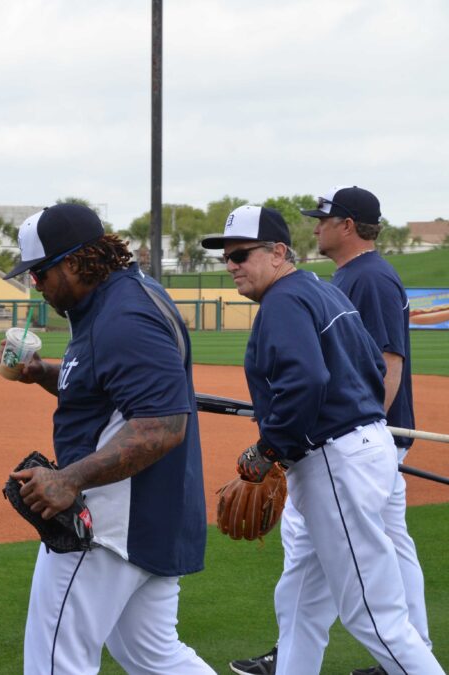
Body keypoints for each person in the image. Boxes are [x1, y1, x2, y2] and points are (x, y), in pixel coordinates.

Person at [201, 206, 441, 675]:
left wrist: (269, 449)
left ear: (278, 253)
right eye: (226, 258)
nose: (232, 265)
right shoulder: (318, 290)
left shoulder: (285, 300)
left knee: (375, 617)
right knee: (301, 604)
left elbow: (305, 380)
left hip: (335, 460)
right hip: (354, 449)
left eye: (242, 254)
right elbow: (373, 367)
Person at [0, 203, 212, 674]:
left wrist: (68, 479)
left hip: (106, 526)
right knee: (153, 656)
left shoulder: (124, 317)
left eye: (40, 273)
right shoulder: (116, 300)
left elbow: (162, 426)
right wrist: (41, 373)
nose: (37, 285)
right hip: (149, 519)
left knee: (56, 661)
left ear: (74, 261)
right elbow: (108, 389)